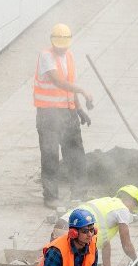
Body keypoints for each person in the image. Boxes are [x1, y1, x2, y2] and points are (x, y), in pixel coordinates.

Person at [34, 23, 94, 205]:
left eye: (64, 45)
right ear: (53, 43)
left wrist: (79, 109)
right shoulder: (46, 56)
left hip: (68, 114)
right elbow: (59, 82)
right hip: (48, 116)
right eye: (58, 45)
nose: (61, 49)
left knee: (75, 154)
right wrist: (83, 91)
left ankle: (79, 194)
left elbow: (69, 86)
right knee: (50, 155)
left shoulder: (69, 56)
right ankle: (51, 197)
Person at [74, 184, 138, 266]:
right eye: (134, 207)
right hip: (75, 236)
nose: (130, 211)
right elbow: (126, 245)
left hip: (62, 226)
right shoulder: (122, 209)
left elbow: (105, 244)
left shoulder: (106, 203)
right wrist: (136, 261)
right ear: (131, 201)